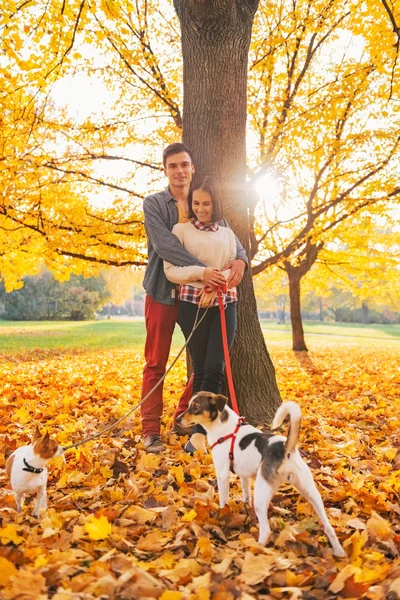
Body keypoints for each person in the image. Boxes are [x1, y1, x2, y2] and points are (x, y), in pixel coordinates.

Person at [141, 143, 247, 453]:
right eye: (172, 166)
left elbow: (232, 244)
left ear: (192, 168)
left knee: (203, 363)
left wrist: (240, 262)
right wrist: (207, 273)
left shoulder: (205, 200)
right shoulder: (155, 204)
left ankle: (183, 417)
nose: (179, 171)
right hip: (164, 293)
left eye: (184, 164)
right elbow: (166, 248)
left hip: (200, 299)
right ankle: (150, 431)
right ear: (165, 170)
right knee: (156, 363)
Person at [164, 176, 238, 454]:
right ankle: (204, 429)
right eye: (196, 203)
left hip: (224, 303)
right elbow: (171, 271)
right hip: (191, 305)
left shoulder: (227, 234)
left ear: (215, 203)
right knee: (203, 369)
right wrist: (202, 276)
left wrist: (217, 283)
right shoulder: (181, 231)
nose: (201, 209)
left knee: (216, 366)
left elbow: (233, 269)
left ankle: (198, 435)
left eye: (206, 203)